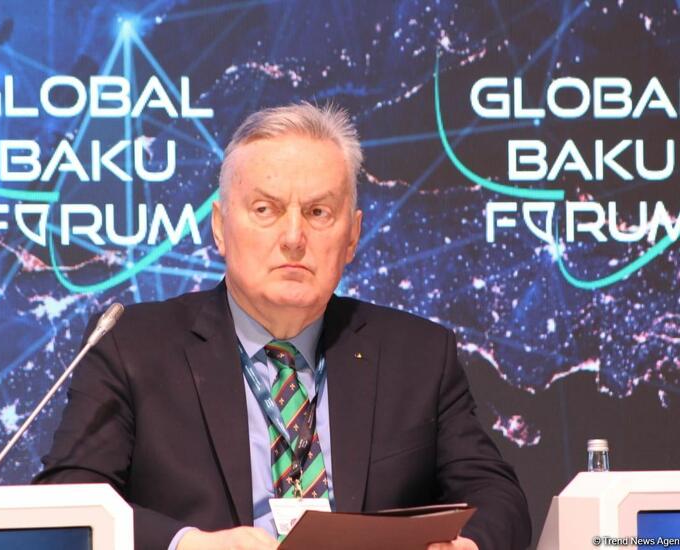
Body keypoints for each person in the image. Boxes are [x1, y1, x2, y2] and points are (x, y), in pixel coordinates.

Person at [34, 102, 531, 550]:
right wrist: (187, 545)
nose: (294, 237)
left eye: (318, 212)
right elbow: (68, 499)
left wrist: (469, 547)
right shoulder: (133, 348)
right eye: (265, 210)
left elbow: (497, 496)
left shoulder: (417, 355)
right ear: (220, 227)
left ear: (352, 236)